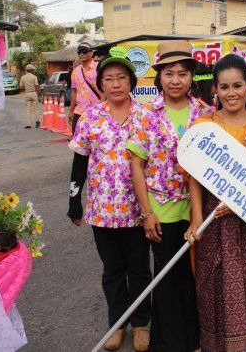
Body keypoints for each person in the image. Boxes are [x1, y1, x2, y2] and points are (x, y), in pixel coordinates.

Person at [185, 54, 246, 352]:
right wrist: (197, 219)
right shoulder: (204, 126)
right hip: (214, 221)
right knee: (216, 286)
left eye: (237, 85)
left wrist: (243, 201)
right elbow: (194, 178)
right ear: (215, 90)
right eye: (224, 87)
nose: (231, 93)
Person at [127, 40, 210, 352]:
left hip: (199, 209)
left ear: (191, 77)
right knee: (166, 276)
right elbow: (137, 166)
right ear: (159, 77)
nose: (176, 80)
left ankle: (195, 339)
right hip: (161, 210)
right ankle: (168, 343)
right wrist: (147, 212)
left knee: (194, 275)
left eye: (183, 73)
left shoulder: (205, 113)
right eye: (169, 73)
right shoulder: (146, 115)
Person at [68, 46, 151, 351]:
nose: (115, 84)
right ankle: (117, 323)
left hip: (138, 209)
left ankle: (141, 323)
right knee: (112, 270)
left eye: (121, 78)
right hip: (102, 210)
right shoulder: (89, 118)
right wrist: (74, 201)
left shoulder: (146, 116)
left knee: (139, 268)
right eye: (109, 79)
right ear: (100, 84)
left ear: (131, 82)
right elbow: (79, 161)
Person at [68, 42, 101, 134]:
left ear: (91, 53)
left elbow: (105, 90)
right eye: (79, 52)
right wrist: (71, 111)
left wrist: (104, 110)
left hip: (97, 112)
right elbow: (74, 92)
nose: (81, 54)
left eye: (84, 51)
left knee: (97, 143)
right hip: (79, 112)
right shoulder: (75, 71)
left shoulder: (99, 68)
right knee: (77, 144)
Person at [19, 64, 40, 129]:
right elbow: (36, 86)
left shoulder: (23, 77)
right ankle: (37, 123)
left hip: (27, 93)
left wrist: (26, 88)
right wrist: (37, 94)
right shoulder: (34, 77)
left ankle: (28, 125)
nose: (33, 70)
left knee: (28, 110)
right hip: (34, 93)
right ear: (30, 70)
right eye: (33, 70)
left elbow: (21, 87)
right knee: (36, 109)